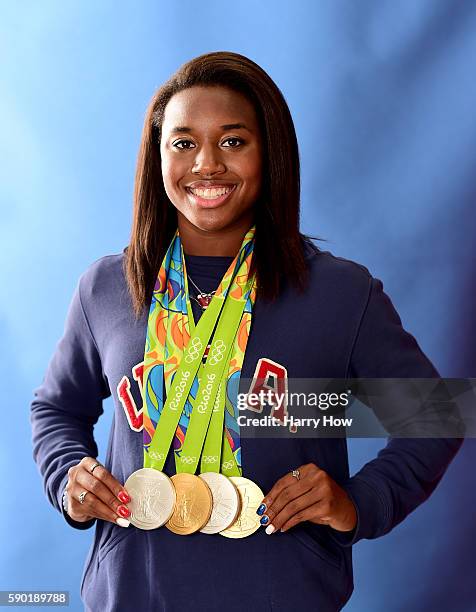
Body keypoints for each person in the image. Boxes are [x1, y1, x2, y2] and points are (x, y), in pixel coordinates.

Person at [30, 51, 463, 611]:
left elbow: (437, 416)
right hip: (135, 593)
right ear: (157, 157)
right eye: (183, 143)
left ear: (271, 154)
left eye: (233, 141)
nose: (206, 164)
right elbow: (55, 410)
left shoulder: (339, 293)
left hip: (283, 593)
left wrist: (359, 502)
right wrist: (70, 479)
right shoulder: (106, 288)